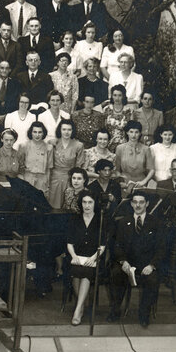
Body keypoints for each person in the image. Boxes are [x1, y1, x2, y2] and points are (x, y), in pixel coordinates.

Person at [108, 191, 163, 327]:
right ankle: (115, 310)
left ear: (147, 204)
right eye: (135, 202)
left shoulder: (156, 223)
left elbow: (161, 248)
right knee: (115, 273)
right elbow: (117, 245)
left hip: (147, 265)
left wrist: (152, 265)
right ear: (131, 204)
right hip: (127, 263)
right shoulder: (122, 222)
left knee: (152, 279)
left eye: (141, 202)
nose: (138, 205)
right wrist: (123, 261)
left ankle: (144, 314)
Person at [67, 191, 106, 326]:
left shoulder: (100, 220)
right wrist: (74, 256)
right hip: (77, 256)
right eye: (84, 202)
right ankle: (81, 305)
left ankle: (78, 310)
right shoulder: (75, 219)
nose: (87, 205)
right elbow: (69, 242)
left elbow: (102, 245)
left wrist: (94, 257)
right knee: (75, 270)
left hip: (94, 257)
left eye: (90, 202)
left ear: (95, 204)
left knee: (87, 272)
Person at [49, 120, 83, 208]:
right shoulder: (53, 143)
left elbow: (79, 165)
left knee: (70, 205)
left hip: (70, 178)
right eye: (64, 129)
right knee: (53, 205)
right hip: (54, 178)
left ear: (73, 131)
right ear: (60, 130)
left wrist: (75, 179)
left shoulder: (78, 145)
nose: (66, 132)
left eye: (69, 130)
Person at [19, 122, 53, 194]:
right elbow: (20, 165)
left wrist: (47, 184)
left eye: (40, 132)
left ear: (43, 133)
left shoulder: (49, 148)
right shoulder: (24, 146)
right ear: (31, 133)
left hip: (42, 180)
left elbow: (49, 168)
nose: (37, 135)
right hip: (28, 178)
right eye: (35, 132)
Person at [115, 121, 151, 189]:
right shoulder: (120, 148)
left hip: (140, 183)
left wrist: (144, 181)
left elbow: (151, 169)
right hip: (125, 183)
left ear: (140, 133)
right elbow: (117, 170)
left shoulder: (146, 149)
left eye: (136, 132)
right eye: (131, 132)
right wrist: (122, 181)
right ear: (127, 132)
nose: (133, 135)